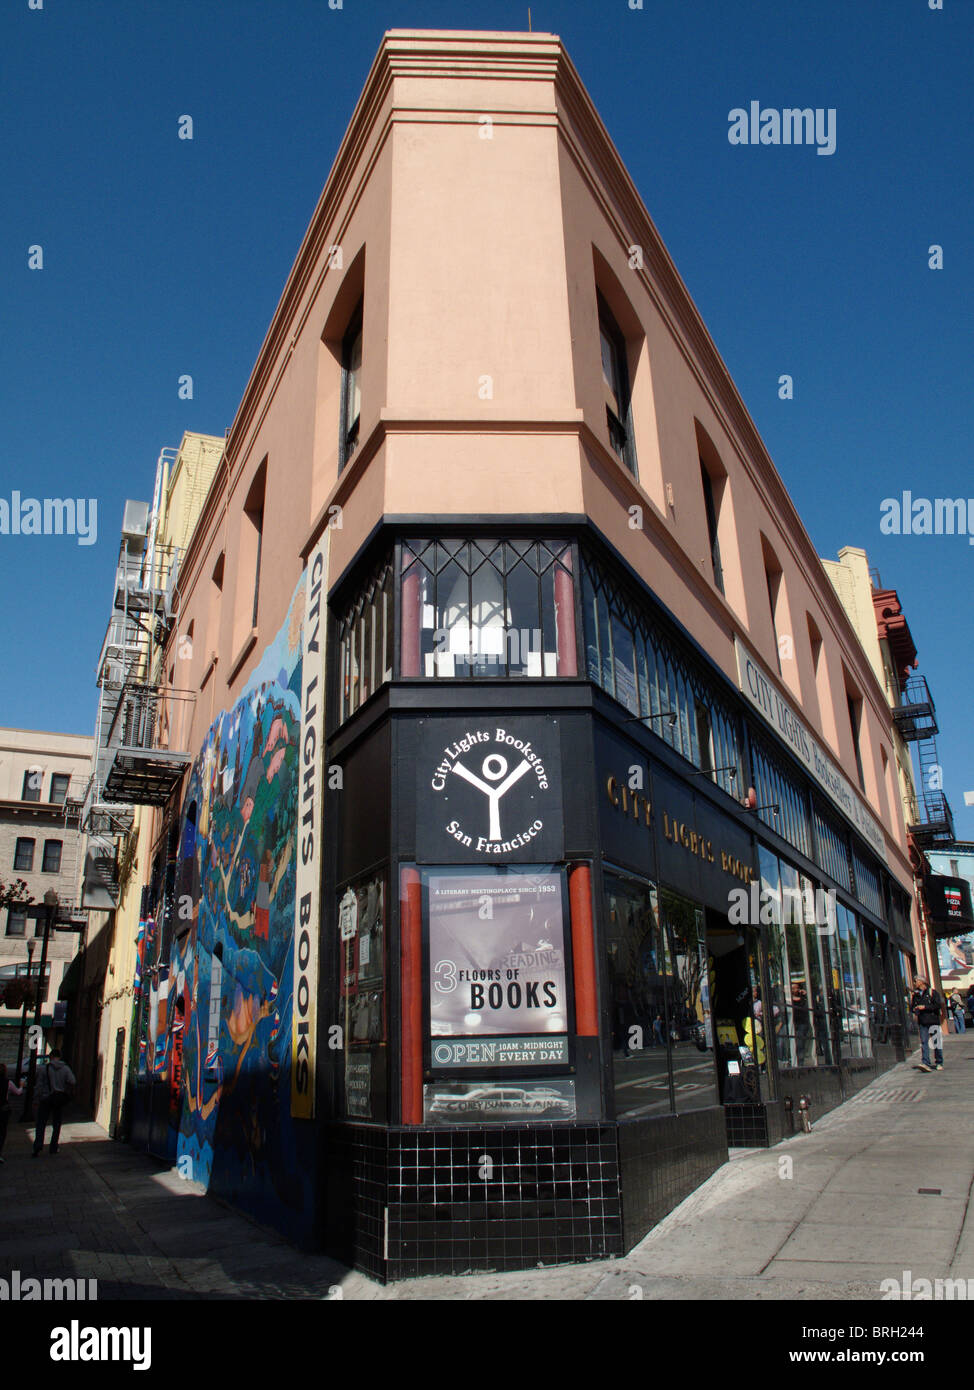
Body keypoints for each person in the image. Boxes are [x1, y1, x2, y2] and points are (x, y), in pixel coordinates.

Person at [32, 1049, 76, 1156]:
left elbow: (39, 1086)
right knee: (56, 1123)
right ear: (59, 1057)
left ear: (50, 1056)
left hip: (46, 1098)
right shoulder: (65, 1069)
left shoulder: (44, 1069)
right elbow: (73, 1081)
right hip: (58, 1098)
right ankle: (53, 1146)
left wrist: (36, 1099)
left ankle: (38, 1144)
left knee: (41, 1123)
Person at [910, 977, 944, 1072]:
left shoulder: (932, 992)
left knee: (936, 1042)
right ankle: (926, 1063)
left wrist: (925, 1007)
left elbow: (937, 1005)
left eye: (915, 981)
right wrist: (915, 1009)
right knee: (924, 1042)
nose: (914, 983)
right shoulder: (916, 995)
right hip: (922, 1022)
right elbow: (912, 1007)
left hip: (933, 1021)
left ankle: (939, 1062)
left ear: (922, 982)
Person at [0, 1063, 24, 1164]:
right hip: (3, 1109)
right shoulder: (8, 1082)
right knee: (2, 1132)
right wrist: (22, 1086)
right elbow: (18, 1092)